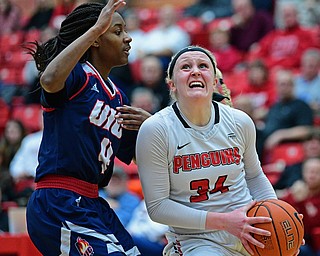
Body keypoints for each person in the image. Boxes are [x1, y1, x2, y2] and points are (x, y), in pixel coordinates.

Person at [135, 45, 296, 256]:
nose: (195, 71)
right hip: (196, 239)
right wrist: (225, 222)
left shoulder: (240, 121)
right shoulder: (156, 129)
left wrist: (279, 219)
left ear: (213, 80)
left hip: (250, 230)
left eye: (203, 65)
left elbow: (255, 176)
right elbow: (158, 207)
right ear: (172, 85)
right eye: (186, 66)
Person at [25, 1, 151, 255]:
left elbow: (140, 156)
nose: (128, 39)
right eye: (117, 32)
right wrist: (94, 29)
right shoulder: (77, 76)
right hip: (58, 200)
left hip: (92, 202)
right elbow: (49, 79)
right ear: (94, 39)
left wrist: (153, 124)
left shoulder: (118, 97)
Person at [280, 157, 320, 255]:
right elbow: (282, 216)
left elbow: (312, 225)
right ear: (303, 172)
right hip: (299, 241)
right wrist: (296, 200)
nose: (312, 175)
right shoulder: (294, 192)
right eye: (309, 171)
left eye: (316, 172)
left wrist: (301, 203)